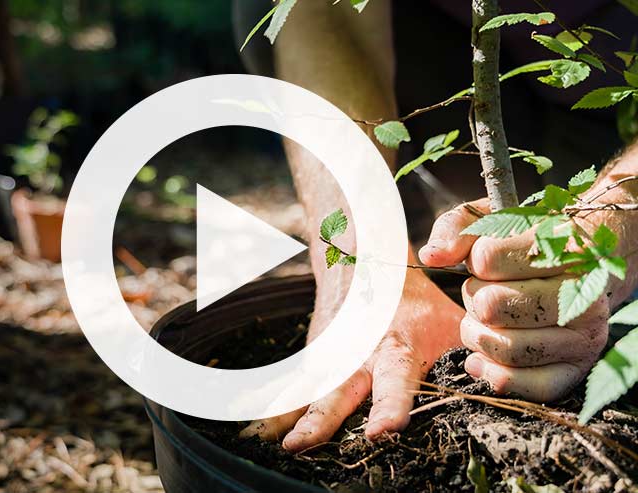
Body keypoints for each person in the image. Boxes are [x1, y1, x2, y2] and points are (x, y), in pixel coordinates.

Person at [232, 0, 638, 453]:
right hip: (477, 72)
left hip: (618, 113)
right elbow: (330, 13)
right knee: (265, 9)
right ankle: (425, 268)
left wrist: (614, 228)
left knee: (611, 306)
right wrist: (367, 279)